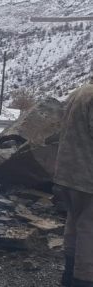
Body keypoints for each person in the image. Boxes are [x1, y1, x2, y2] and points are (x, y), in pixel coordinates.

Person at [54, 78, 93, 287]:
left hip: (68, 174)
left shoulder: (77, 93)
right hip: (89, 177)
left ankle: (68, 276)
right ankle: (84, 280)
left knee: (74, 225)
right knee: (89, 231)